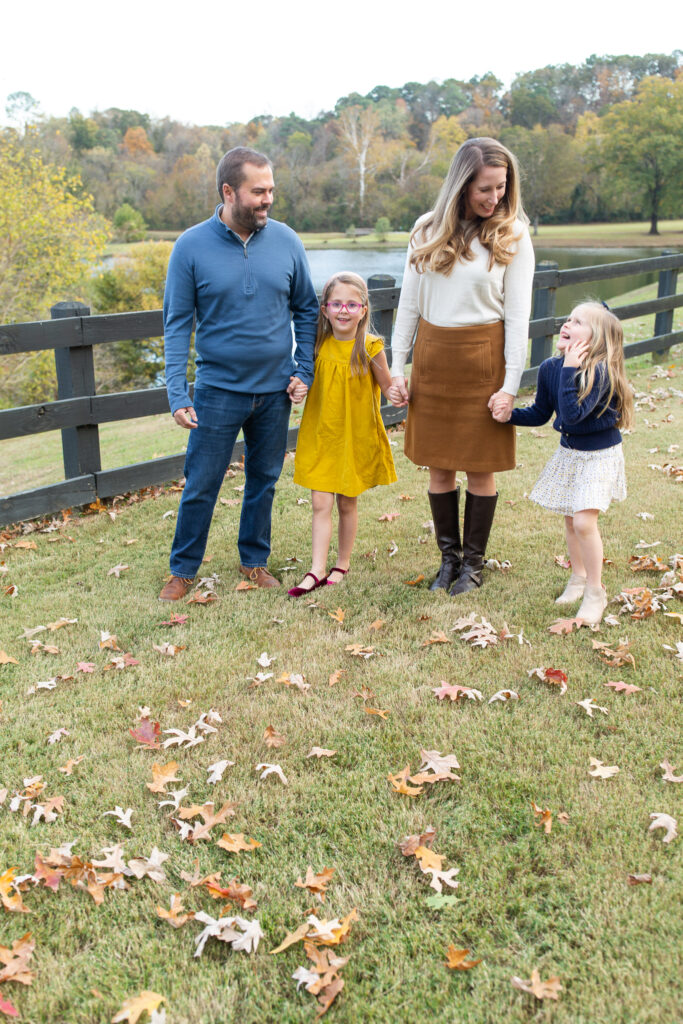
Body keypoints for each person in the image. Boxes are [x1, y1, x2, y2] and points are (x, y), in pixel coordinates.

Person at [159, 146, 319, 600]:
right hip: (216, 392)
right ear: (229, 192)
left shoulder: (287, 241)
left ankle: (254, 561)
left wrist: (302, 369)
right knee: (202, 484)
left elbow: (307, 309)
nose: (267, 199)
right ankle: (183, 570)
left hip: (275, 391)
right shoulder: (191, 246)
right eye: (258, 191)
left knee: (263, 481)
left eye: (271, 190)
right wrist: (177, 391)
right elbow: (176, 325)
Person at [387, 138, 535, 596]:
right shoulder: (426, 229)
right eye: (485, 189)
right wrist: (397, 368)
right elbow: (408, 306)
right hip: (433, 360)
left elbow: (518, 318)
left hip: (484, 360)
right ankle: (447, 562)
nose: (495, 199)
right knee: (439, 468)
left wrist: (510, 385)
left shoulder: (513, 234)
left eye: (501, 188)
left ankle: (472, 566)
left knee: (480, 468)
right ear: (461, 186)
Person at [492, 302, 633, 625]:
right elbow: (543, 413)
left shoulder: (600, 373)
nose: (567, 323)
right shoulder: (551, 368)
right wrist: (508, 415)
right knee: (571, 522)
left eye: (578, 321)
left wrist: (571, 366)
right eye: (568, 318)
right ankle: (578, 578)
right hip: (570, 454)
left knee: (584, 523)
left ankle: (595, 591)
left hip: (600, 457)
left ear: (596, 338)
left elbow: (571, 414)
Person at [288, 272, 398, 596]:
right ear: (324, 309)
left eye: (352, 304)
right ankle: (316, 569)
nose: (343, 311)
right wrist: (297, 387)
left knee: (347, 503)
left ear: (364, 309)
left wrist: (402, 392)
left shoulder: (370, 347)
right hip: (322, 434)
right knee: (320, 503)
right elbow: (304, 381)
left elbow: (388, 387)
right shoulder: (317, 345)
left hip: (353, 437)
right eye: (336, 304)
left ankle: (342, 562)